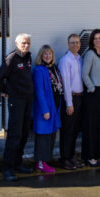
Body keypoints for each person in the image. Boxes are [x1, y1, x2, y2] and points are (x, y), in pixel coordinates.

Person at [0, 33, 34, 182]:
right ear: (17, 43)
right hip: (16, 101)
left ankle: (17, 164)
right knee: (14, 136)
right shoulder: (11, 59)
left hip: (27, 100)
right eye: (23, 43)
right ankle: (7, 169)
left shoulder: (28, 57)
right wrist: (5, 91)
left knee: (24, 134)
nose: (26, 45)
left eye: (28, 43)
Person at [32, 45, 62, 173]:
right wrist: (45, 110)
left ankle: (45, 161)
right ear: (41, 56)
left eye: (50, 54)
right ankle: (40, 163)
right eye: (45, 54)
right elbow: (39, 92)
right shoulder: (39, 71)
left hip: (54, 108)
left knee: (51, 135)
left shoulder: (54, 69)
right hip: (45, 110)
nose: (48, 56)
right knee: (43, 137)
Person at [81, 29, 100, 167]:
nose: (98, 40)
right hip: (92, 94)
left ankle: (96, 155)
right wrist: (91, 88)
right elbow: (84, 74)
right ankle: (89, 156)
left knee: (98, 125)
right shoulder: (90, 54)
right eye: (95, 38)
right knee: (90, 126)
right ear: (92, 41)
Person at [58, 34, 84, 170]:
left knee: (74, 131)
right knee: (67, 131)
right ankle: (64, 159)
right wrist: (69, 103)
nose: (76, 45)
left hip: (79, 98)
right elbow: (66, 84)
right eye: (73, 43)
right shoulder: (65, 60)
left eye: (78, 43)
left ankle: (71, 156)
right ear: (68, 44)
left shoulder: (79, 59)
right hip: (70, 98)